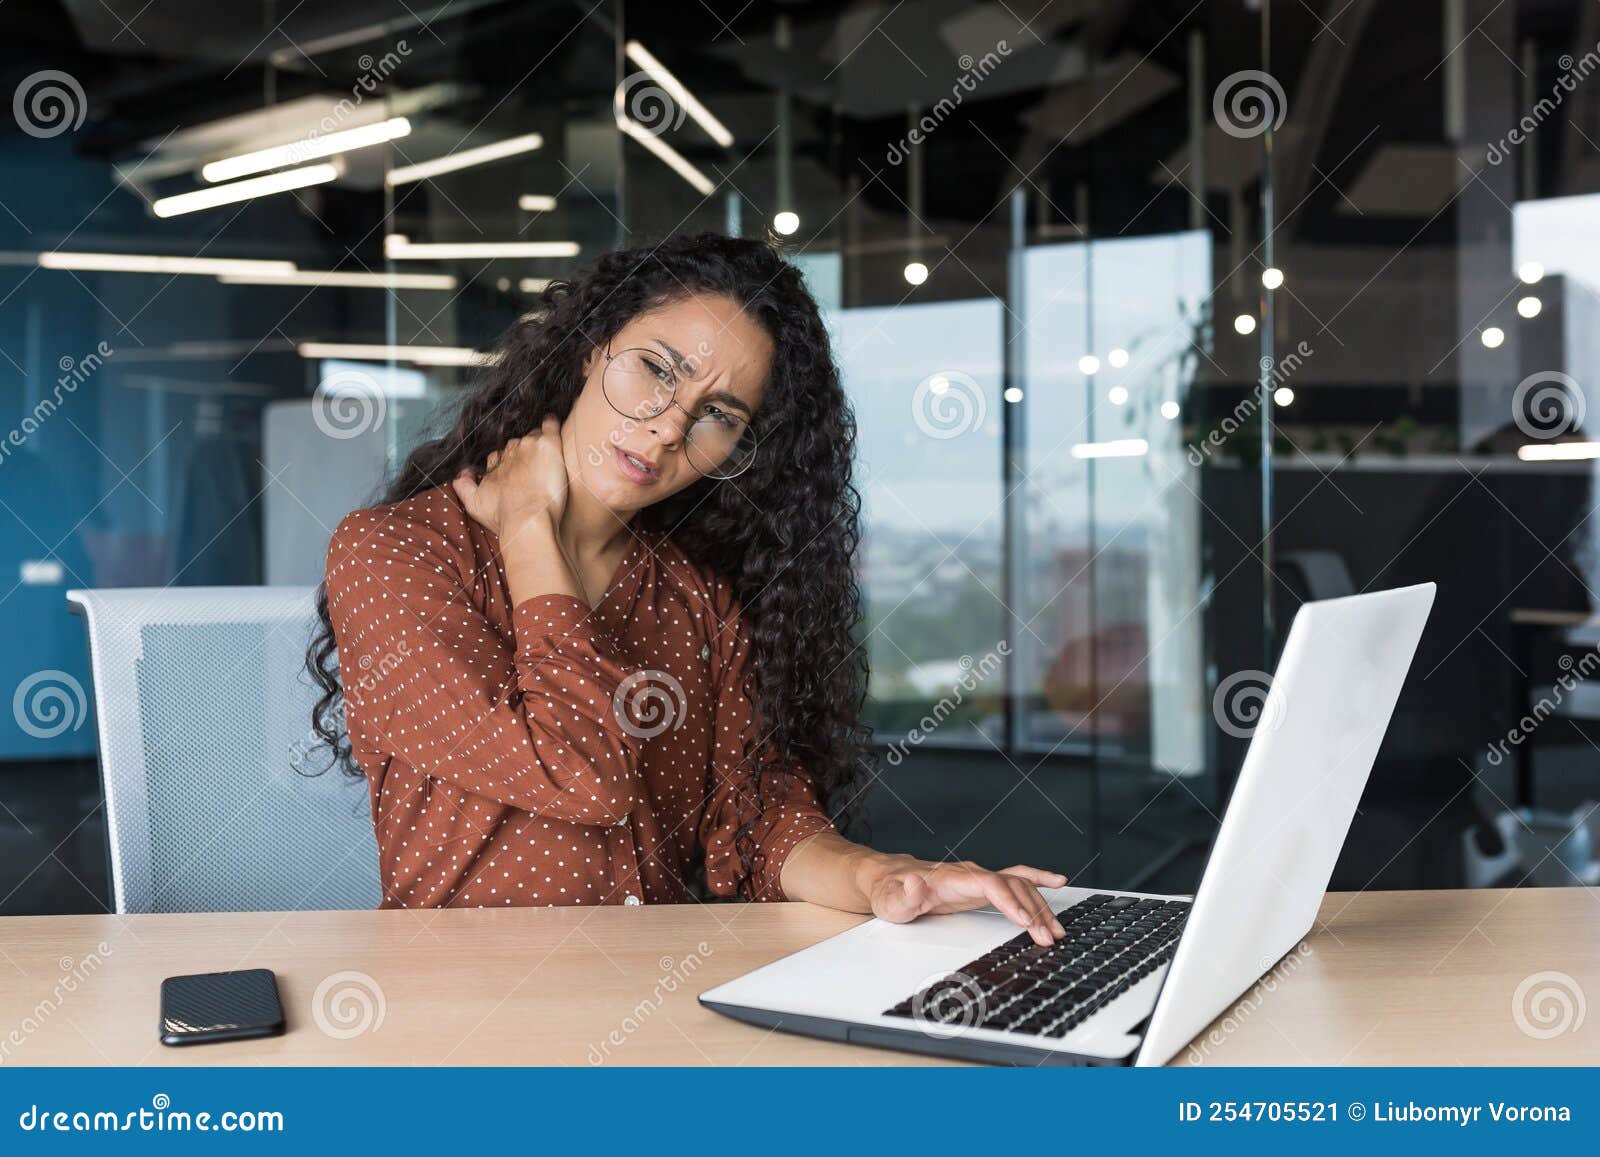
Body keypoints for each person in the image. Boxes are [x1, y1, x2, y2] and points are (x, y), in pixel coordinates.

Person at [308, 233, 1067, 944]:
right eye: (657, 368)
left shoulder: (694, 599)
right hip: (463, 1014)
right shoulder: (395, 554)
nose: (670, 426)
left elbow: (758, 816)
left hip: (652, 1004)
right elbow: (580, 771)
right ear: (588, 349)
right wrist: (528, 529)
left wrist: (887, 876)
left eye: (718, 414)